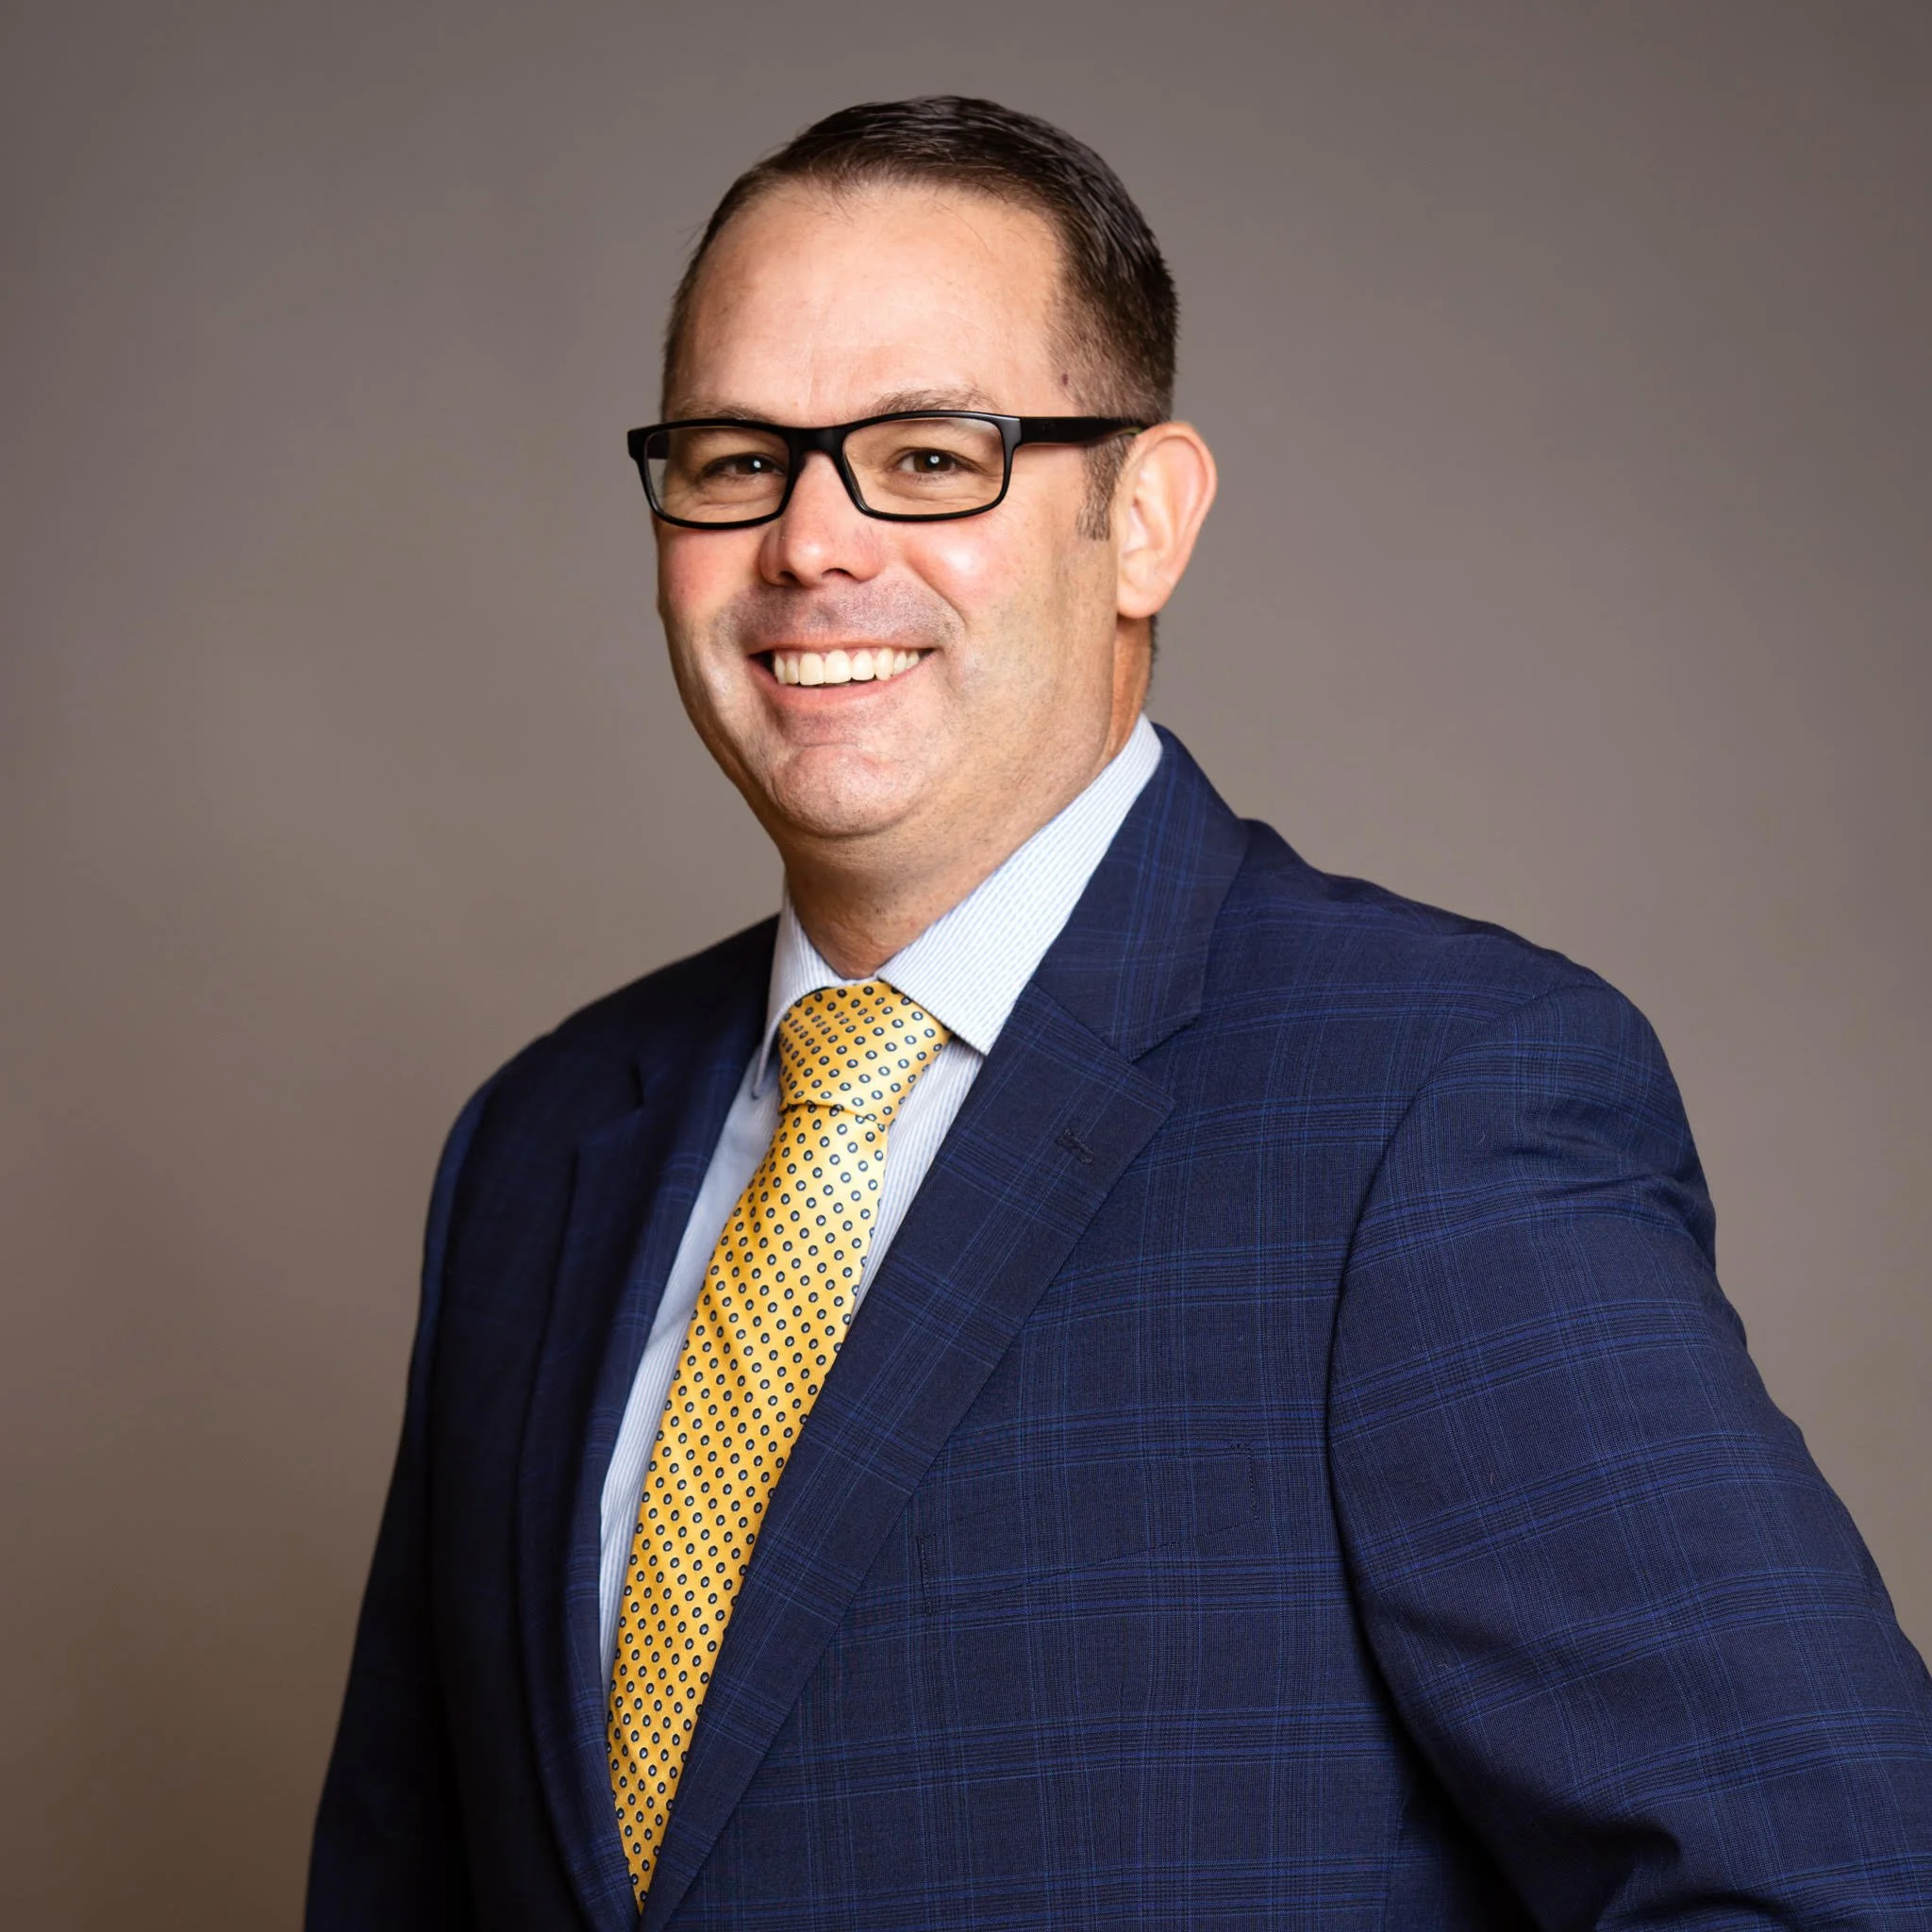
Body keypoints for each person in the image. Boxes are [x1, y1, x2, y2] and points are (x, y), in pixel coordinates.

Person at [308, 96, 1932, 1930]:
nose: (811, 541)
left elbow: (1833, 1885)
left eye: (930, 457)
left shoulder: (1429, 1105)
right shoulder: (541, 1147)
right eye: (738, 456)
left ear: (1143, 519)